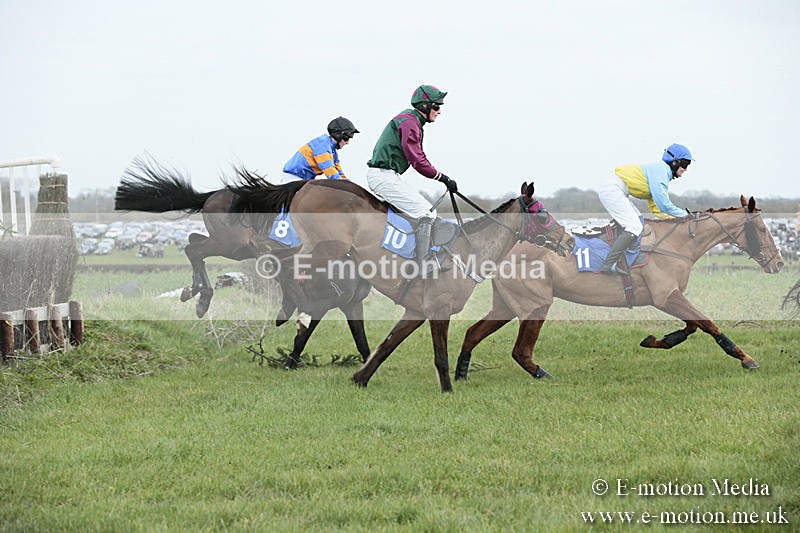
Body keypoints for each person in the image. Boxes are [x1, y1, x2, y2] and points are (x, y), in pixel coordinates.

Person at [366, 85, 457, 271]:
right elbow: (417, 160)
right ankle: (422, 264)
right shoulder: (409, 122)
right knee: (427, 213)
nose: (439, 111)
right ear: (424, 106)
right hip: (383, 176)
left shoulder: (412, 120)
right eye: (436, 106)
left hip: (388, 175)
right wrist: (442, 178)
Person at [596, 143, 694, 274]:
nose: (685, 169)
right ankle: (608, 265)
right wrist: (685, 215)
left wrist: (675, 220)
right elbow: (664, 204)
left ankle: (622, 259)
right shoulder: (661, 172)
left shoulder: (661, 174)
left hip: (618, 191)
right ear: (675, 162)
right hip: (613, 190)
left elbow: (657, 208)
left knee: (639, 222)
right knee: (634, 227)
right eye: (685, 164)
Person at [281, 117, 359, 182]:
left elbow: (338, 172)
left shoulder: (332, 151)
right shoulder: (322, 145)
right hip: (292, 179)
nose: (347, 142)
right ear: (339, 135)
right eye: (346, 138)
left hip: (304, 179)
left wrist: (349, 184)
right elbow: (330, 172)